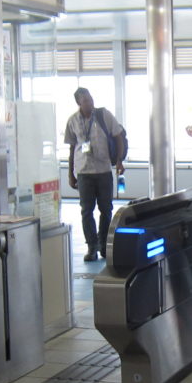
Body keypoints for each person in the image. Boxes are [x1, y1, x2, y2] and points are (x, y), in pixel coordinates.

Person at [65, 87, 127, 262]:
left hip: (103, 170)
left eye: (91, 99)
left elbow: (118, 136)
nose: (90, 103)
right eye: (85, 100)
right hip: (84, 172)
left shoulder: (103, 115)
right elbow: (72, 148)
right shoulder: (73, 121)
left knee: (106, 209)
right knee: (86, 211)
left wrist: (119, 160)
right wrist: (70, 174)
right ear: (78, 103)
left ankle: (104, 245)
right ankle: (91, 246)